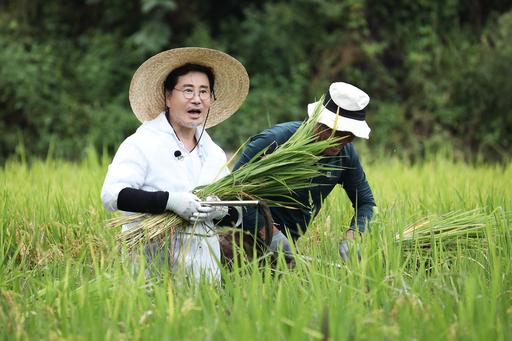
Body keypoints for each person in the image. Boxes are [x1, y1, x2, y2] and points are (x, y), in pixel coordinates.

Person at [101, 47, 249, 281]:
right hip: (150, 274)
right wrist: (170, 201)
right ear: (168, 97)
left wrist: (220, 208)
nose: (197, 99)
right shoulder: (142, 143)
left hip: (204, 276)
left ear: (210, 99)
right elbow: (112, 195)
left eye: (204, 91)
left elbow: (235, 214)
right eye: (188, 90)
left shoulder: (214, 154)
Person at [233, 82, 376, 261]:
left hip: (288, 249)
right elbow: (233, 191)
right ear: (318, 122)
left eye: (348, 135)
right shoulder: (275, 141)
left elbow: (366, 203)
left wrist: (353, 237)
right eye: (334, 132)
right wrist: (269, 232)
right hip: (237, 235)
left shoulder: (345, 155)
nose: (339, 141)